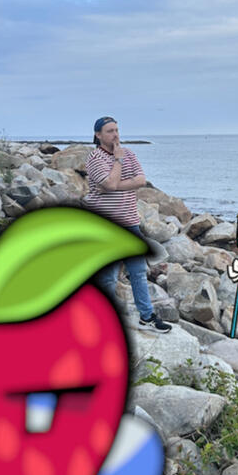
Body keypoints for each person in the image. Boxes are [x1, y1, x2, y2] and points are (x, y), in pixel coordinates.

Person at [84, 116, 171, 333]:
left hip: (130, 222)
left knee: (138, 272)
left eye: (116, 130)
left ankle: (146, 316)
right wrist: (118, 162)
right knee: (109, 276)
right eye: (110, 131)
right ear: (98, 135)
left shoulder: (129, 154)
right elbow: (110, 182)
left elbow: (140, 180)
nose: (115, 135)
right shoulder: (95, 158)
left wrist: (113, 185)